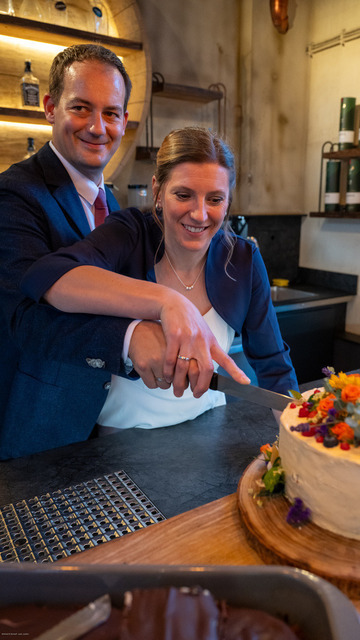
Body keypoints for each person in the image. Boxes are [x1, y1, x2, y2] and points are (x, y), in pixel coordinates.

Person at [0, 47, 246, 460]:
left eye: (111, 113)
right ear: (50, 108)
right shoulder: (14, 194)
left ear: (124, 120)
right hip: (42, 426)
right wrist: (131, 336)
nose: (98, 127)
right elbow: (22, 320)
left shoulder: (111, 205)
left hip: (108, 427)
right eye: (81, 108)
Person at [22, 127, 299, 431]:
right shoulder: (129, 234)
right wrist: (167, 301)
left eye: (215, 199)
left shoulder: (243, 259)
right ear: (157, 191)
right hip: (121, 440)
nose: (200, 214)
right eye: (183, 195)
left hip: (210, 429)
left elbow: (274, 366)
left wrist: (301, 440)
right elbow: (47, 277)